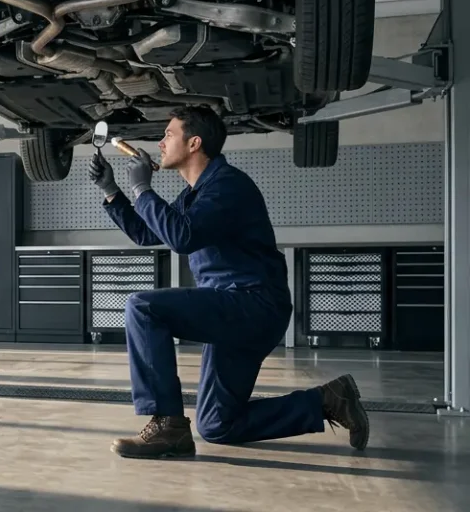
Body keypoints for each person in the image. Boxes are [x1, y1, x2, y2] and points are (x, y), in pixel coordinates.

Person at [88, 106, 370, 459]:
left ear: (194, 143)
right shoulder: (195, 192)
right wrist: (113, 191)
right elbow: (148, 232)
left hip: (252, 304)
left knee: (143, 307)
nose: (160, 143)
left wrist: (142, 187)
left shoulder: (227, 186)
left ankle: (167, 426)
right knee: (218, 425)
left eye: (169, 135)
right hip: (233, 310)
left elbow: (182, 237)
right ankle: (328, 400)